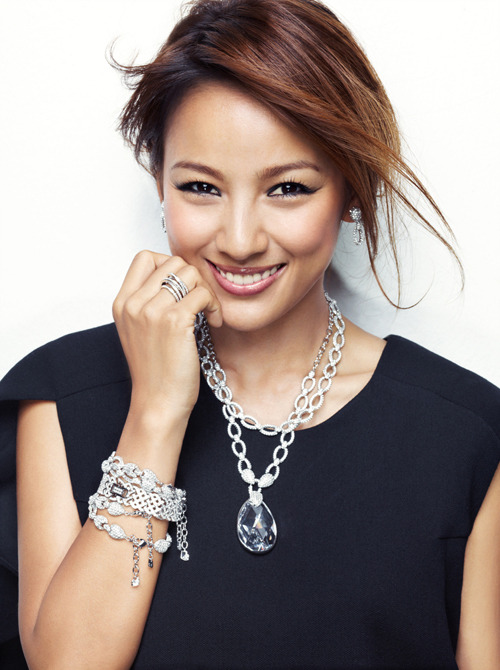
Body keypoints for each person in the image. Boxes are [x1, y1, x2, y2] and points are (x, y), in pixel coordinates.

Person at [0, 0, 499, 668]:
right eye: (201, 187)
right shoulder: (65, 398)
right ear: (159, 184)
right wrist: (155, 413)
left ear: (350, 190)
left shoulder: (465, 433)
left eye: (287, 188)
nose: (239, 240)